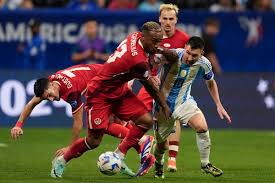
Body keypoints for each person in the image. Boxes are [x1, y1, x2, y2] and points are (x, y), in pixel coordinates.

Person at [51, 21, 177, 178]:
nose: (157, 44)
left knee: (145, 120)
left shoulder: (136, 36)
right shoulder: (137, 60)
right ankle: (62, 160)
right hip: (99, 94)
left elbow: (152, 51)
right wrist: (164, 105)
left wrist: (161, 49)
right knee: (94, 141)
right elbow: (150, 86)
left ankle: (119, 155)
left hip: (119, 90)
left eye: (160, 41)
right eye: (154, 41)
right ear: (144, 37)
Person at [10, 64, 153, 177]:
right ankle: (139, 148)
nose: (51, 99)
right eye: (47, 98)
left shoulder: (71, 90)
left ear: (52, 85)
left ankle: (62, 161)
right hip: (107, 76)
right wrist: (18, 125)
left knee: (97, 134)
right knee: (110, 124)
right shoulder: (50, 82)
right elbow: (31, 104)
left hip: (105, 85)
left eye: (50, 95)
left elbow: (78, 123)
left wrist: (70, 148)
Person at [153, 36, 231, 178]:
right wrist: (153, 75)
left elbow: (211, 82)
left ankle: (205, 164)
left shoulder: (204, 63)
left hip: (184, 102)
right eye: (188, 52)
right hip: (163, 106)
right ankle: (158, 163)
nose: (189, 58)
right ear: (185, 47)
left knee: (202, 127)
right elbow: (152, 60)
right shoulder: (173, 56)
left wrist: (218, 104)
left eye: (194, 55)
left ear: (201, 53)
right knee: (161, 145)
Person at [136, 3, 189, 172]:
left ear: (176, 20)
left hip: (172, 85)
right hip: (151, 82)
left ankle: (172, 159)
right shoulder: (151, 37)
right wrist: (150, 76)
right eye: (164, 18)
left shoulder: (183, 39)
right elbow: (143, 58)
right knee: (135, 116)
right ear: (159, 19)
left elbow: (188, 64)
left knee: (173, 116)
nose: (167, 22)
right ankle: (147, 150)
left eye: (171, 19)